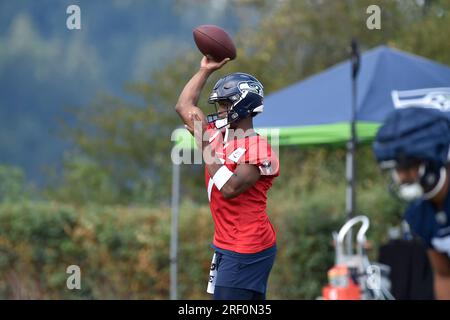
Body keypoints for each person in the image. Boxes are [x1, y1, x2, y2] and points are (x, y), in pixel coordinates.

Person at [175, 56, 280, 300]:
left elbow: (230, 188)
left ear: (242, 106)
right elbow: (184, 106)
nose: (219, 111)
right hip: (226, 243)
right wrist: (204, 70)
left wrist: (203, 144)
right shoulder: (216, 135)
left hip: (247, 246)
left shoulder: (259, 148)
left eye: (224, 105)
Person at [373, 107, 450, 299]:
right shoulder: (419, 215)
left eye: (407, 167)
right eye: (396, 169)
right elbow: (444, 274)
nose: (402, 177)